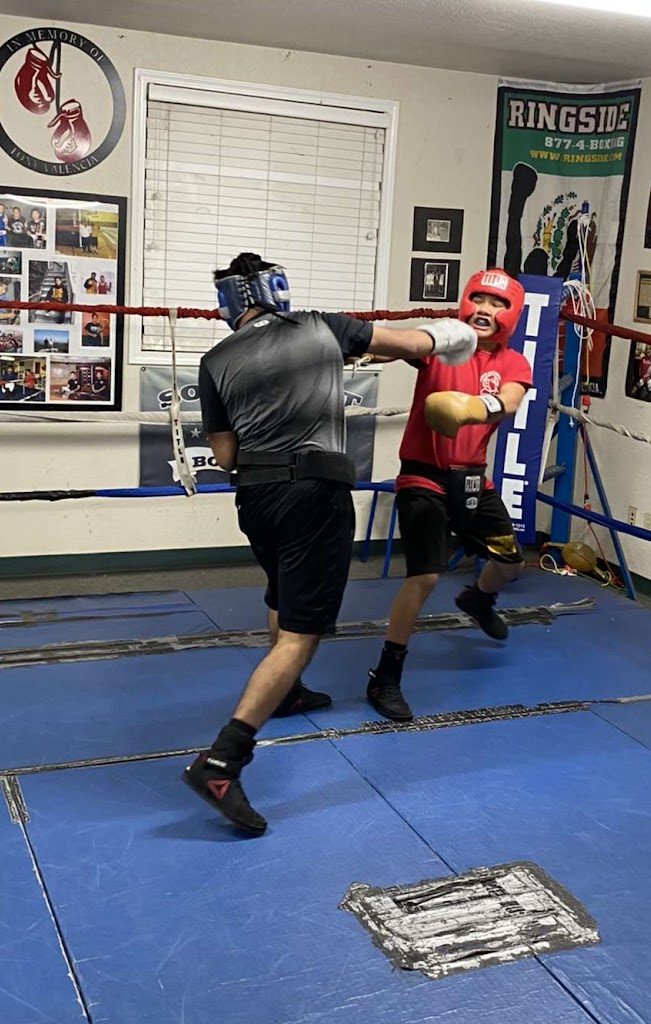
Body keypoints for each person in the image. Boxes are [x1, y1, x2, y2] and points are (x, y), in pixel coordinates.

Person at [181, 252, 478, 836]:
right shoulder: (322, 327)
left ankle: (286, 696)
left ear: (230, 304)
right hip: (314, 494)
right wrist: (459, 333)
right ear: (277, 289)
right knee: (301, 635)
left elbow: (225, 457)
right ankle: (222, 761)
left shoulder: (213, 360)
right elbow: (418, 344)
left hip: (256, 500)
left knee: (279, 594)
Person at [365, 268, 532, 722]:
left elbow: (512, 401)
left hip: (474, 479)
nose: (484, 309)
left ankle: (479, 599)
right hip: (423, 475)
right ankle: (386, 675)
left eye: (496, 303)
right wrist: (357, 343)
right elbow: (397, 345)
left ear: (511, 314)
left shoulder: (513, 363)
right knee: (425, 576)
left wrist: (471, 408)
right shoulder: (442, 343)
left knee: (511, 563)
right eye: (477, 299)